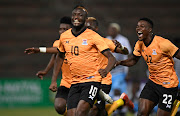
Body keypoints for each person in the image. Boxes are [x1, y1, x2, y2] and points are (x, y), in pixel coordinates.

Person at [51, 6, 117, 116]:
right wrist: (53, 80)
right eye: (74, 15)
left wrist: (106, 70)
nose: (76, 17)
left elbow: (112, 58)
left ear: (85, 20)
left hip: (92, 81)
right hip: (75, 82)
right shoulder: (64, 36)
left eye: (80, 15)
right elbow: (60, 56)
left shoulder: (93, 36)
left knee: (81, 112)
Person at [116, 18, 180, 116]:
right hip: (153, 83)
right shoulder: (139, 44)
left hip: (168, 85)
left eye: (142, 26)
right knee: (142, 113)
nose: (138, 28)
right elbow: (133, 60)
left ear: (149, 30)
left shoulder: (163, 43)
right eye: (137, 26)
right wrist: (119, 62)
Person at [85, 17, 134, 116]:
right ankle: (121, 101)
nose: (88, 30)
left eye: (91, 27)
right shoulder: (82, 43)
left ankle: (121, 108)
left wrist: (121, 48)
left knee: (94, 108)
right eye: (86, 27)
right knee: (100, 110)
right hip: (90, 79)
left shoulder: (107, 41)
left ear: (96, 29)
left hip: (110, 76)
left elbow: (126, 52)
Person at [34, 16, 72, 115]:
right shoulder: (57, 43)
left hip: (80, 82)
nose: (61, 31)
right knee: (59, 106)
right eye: (60, 29)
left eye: (65, 29)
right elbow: (55, 57)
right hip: (66, 82)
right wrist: (46, 71)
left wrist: (39, 50)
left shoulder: (78, 43)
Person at [106, 23, 132, 99]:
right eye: (110, 29)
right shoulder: (106, 39)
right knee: (110, 93)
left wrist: (128, 71)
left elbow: (128, 55)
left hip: (120, 71)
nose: (111, 31)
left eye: (113, 29)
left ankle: (121, 110)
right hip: (109, 72)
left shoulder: (123, 40)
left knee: (118, 90)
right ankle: (113, 110)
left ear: (117, 31)